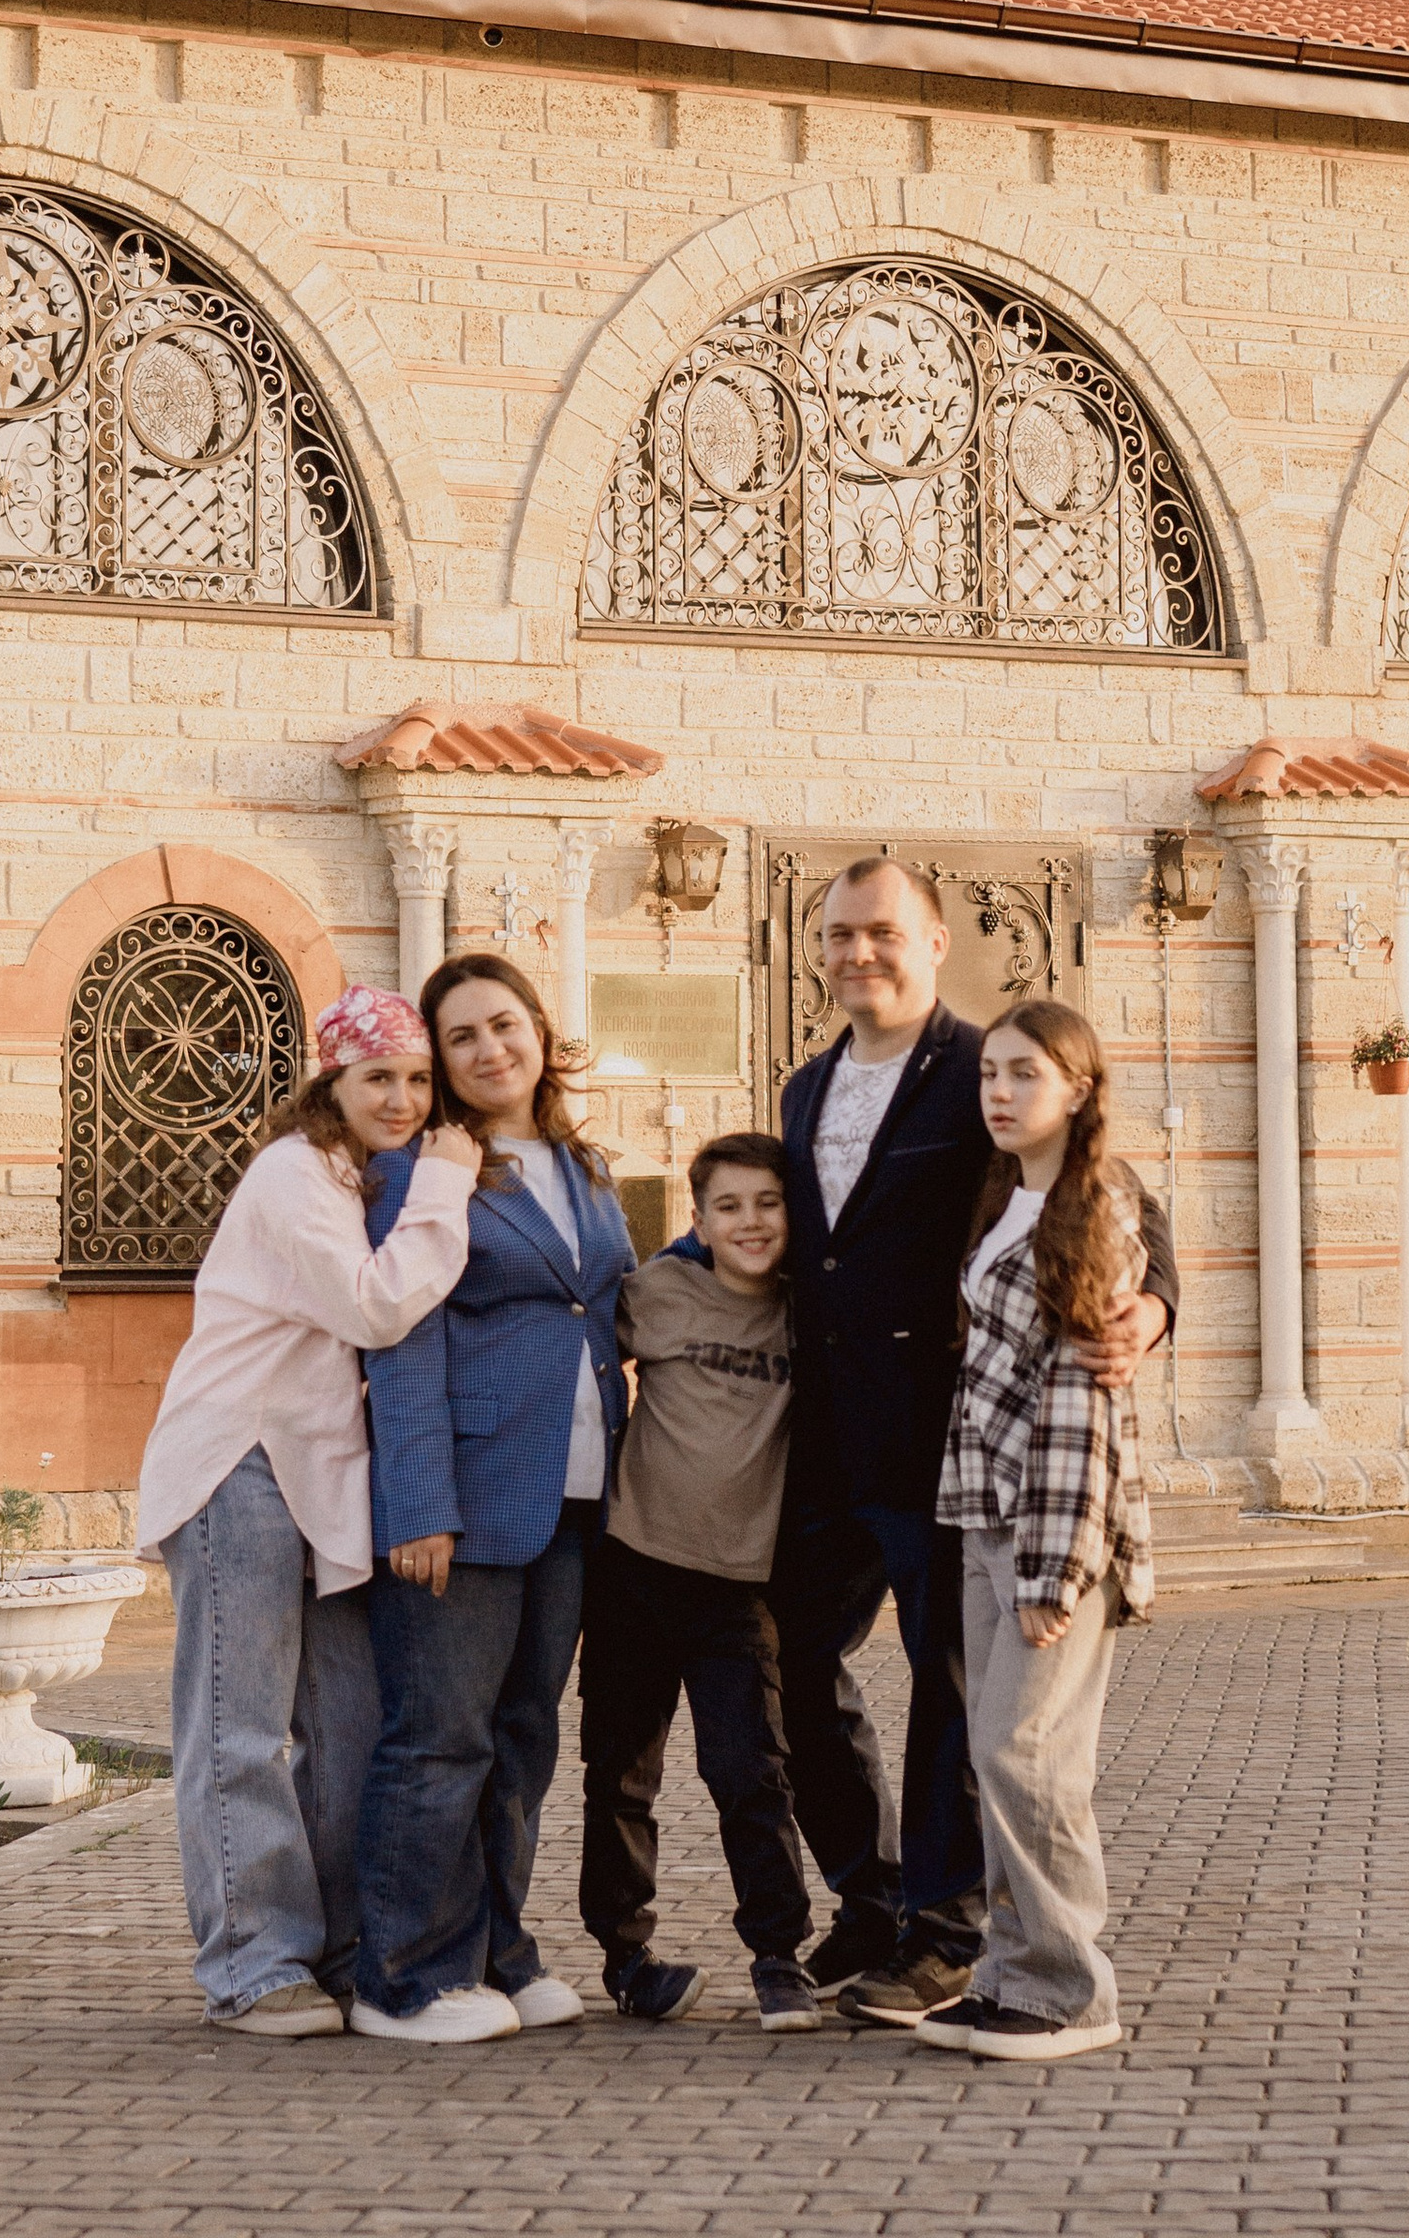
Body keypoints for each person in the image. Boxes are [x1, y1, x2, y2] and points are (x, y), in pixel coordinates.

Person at [767, 859, 1175, 2028]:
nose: (858, 954)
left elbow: (1116, 1197)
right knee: (795, 1655)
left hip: (950, 1443)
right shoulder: (802, 1089)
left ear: (934, 942)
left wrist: (1153, 1311)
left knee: (953, 1688)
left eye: (882, 933)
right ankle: (869, 1890)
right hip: (828, 1435)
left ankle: (949, 1933)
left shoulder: (977, 1070)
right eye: (838, 935)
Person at [137, 984, 479, 2036]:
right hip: (236, 1460)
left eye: (420, 1079)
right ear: (332, 1078)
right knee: (236, 1726)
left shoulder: (354, 1175)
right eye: (380, 1077)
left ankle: (333, 1951)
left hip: (319, 1474)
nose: (405, 1098)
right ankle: (249, 1966)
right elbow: (371, 1303)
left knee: (348, 1726)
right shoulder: (292, 1174)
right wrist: (446, 1189)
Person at [350, 952, 636, 2046]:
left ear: (539, 1032)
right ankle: (404, 1978)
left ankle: (497, 1955)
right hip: (461, 1501)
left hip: (572, 1495)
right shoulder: (419, 1173)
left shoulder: (584, 1166)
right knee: (437, 1740)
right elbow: (402, 1343)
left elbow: (606, 1305)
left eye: (503, 1025)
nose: (487, 1050)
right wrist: (416, 1503)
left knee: (522, 1738)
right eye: (460, 1035)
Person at [918, 998, 1153, 2063]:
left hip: (1051, 1525)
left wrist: (1055, 1564)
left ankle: (1070, 1991)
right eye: (989, 1075)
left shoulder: (1096, 1206)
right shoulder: (1003, 1198)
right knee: (996, 1748)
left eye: (1024, 1074)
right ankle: (1010, 1974)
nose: (1000, 1093)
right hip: (981, 1513)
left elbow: (1081, 1396)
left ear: (1079, 1089)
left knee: (1029, 1757)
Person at [577, 1131, 822, 2032]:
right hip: (634, 1570)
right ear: (699, 1219)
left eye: (768, 1204)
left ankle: (778, 1956)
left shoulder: (808, 1311)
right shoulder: (656, 1295)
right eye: (728, 1207)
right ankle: (626, 1955)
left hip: (736, 1588)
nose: (749, 1223)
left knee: (750, 1773)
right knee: (619, 1774)